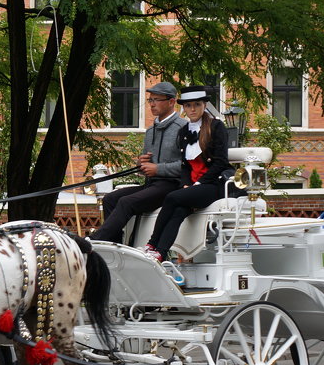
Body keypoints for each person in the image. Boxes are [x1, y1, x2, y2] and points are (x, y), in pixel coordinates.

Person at [89, 82, 188, 242]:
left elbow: (188, 166)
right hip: (151, 185)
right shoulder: (150, 131)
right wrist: (141, 165)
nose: (152, 104)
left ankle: (96, 240)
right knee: (109, 199)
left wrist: (157, 169)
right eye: (150, 100)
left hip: (171, 186)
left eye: (156, 99)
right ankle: (113, 247)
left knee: (126, 202)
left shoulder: (183, 128)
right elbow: (146, 167)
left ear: (171, 102)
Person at [142, 86, 231, 261]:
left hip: (212, 185)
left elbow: (220, 162)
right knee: (178, 211)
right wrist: (186, 183)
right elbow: (185, 165)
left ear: (204, 105)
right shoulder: (184, 132)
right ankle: (160, 253)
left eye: (197, 105)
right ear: (183, 107)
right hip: (193, 186)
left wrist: (198, 184)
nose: (192, 109)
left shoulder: (216, 126)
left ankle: (151, 243)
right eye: (188, 105)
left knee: (172, 197)